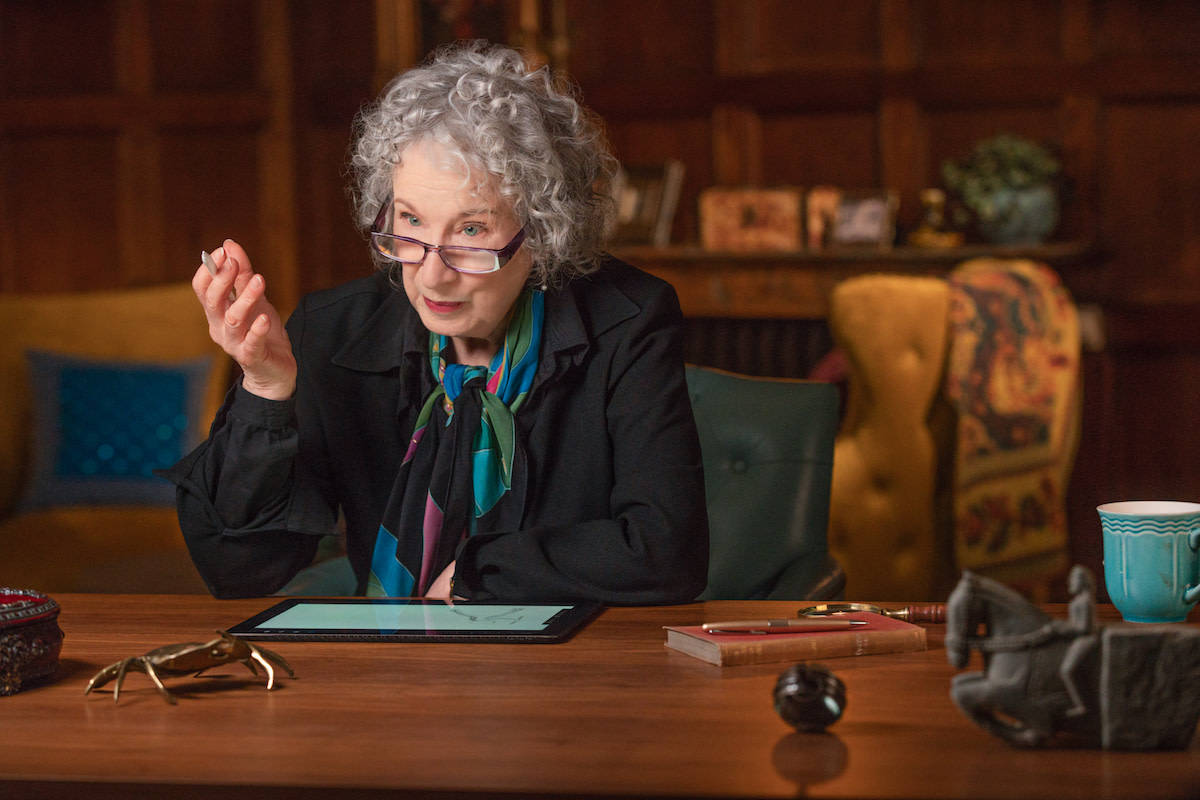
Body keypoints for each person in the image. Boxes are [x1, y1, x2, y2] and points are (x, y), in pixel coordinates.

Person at [163, 41, 710, 604]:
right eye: (411, 222)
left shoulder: (629, 320)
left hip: (573, 671)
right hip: (390, 675)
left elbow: (666, 553)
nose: (432, 277)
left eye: (471, 231)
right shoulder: (330, 332)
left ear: (544, 232)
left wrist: (482, 573)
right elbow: (240, 569)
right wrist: (266, 390)